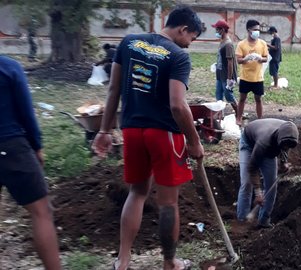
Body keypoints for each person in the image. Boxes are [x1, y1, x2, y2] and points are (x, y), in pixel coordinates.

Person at [92, 5, 204, 270]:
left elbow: (113, 90)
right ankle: (170, 263)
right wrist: (194, 141)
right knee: (168, 202)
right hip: (164, 134)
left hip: (132, 130)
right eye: (192, 38)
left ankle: (123, 260)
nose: (190, 44)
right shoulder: (177, 56)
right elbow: (177, 106)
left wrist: (105, 130)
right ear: (183, 29)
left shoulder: (128, 43)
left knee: (137, 192)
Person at [0, 56, 61, 270]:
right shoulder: (8, 67)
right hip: (11, 146)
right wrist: (37, 146)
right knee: (41, 211)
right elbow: (26, 112)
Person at [236, 119, 299, 228]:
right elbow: (253, 168)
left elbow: (285, 148)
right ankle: (242, 221)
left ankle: (263, 221)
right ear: (279, 138)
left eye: (288, 146)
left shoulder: (289, 135)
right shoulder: (264, 142)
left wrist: (284, 163)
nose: (286, 147)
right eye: (284, 145)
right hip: (249, 144)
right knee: (247, 183)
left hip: (270, 148)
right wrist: (258, 193)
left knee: (271, 184)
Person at [235, 19, 269, 126]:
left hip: (258, 78)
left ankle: (260, 119)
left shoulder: (262, 43)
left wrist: (260, 59)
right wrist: (246, 59)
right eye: (255, 30)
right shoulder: (241, 44)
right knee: (242, 99)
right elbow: (238, 60)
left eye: (258, 30)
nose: (257, 32)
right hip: (245, 77)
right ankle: (239, 118)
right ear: (248, 30)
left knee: (258, 99)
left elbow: (266, 58)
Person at [211, 20, 238, 116]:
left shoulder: (228, 44)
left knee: (229, 95)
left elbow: (230, 62)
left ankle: (238, 114)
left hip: (226, 75)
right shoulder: (222, 42)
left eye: (217, 29)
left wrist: (229, 79)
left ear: (222, 30)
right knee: (218, 95)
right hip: (220, 74)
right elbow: (223, 58)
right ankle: (220, 115)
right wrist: (216, 64)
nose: (216, 32)